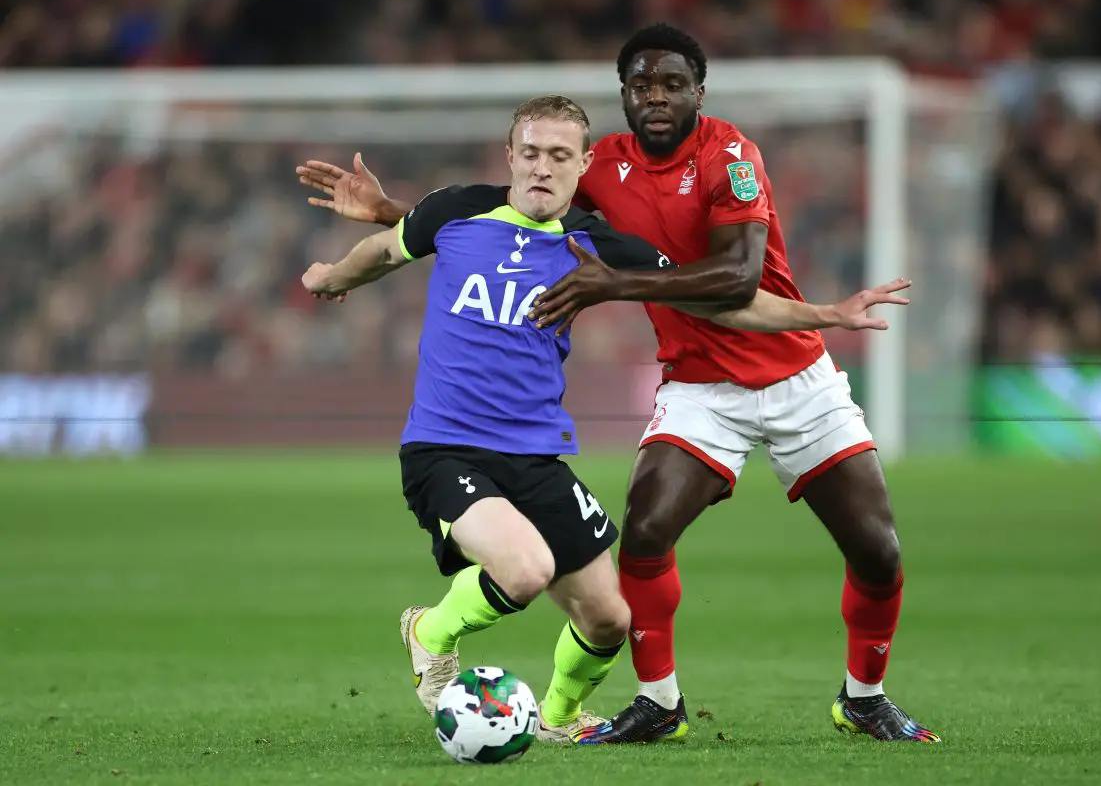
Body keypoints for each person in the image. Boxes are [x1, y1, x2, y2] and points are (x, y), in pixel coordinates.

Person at [298, 94, 913, 744]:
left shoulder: (597, 245)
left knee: (609, 621)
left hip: (535, 458)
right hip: (445, 450)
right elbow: (387, 250)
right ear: (510, 156)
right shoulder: (456, 208)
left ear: (582, 163)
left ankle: (559, 718)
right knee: (526, 570)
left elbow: (727, 305)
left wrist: (827, 314)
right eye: (530, 152)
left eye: (559, 155)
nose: (542, 166)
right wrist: (330, 277)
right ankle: (430, 631)